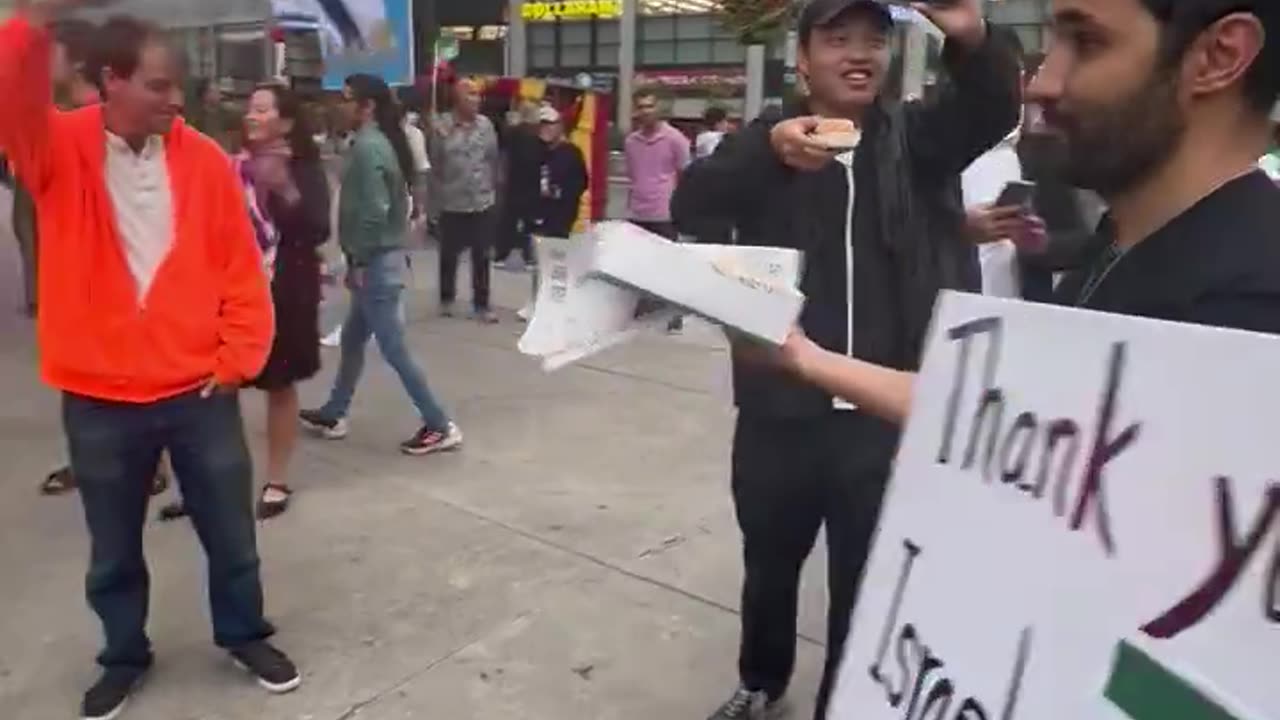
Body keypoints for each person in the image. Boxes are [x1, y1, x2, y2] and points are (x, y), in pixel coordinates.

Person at [671, 0, 1020, 717]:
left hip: (879, 415)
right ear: (802, 58)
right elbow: (691, 206)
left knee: (864, 580)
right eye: (838, 40)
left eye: (874, 41)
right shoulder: (769, 143)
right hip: (779, 411)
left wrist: (972, 36)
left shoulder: (916, 140)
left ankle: (844, 701)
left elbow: (990, 105)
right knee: (769, 565)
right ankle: (761, 682)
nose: (859, 54)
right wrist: (767, 150)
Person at [767, 0, 1280, 427]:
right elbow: (1039, 416)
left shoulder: (1250, 312)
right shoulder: (1122, 244)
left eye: (1088, 42)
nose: (1042, 84)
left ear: (1218, 57)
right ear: (804, 60)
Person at [0, 6, 301, 719]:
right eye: (160, 85)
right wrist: (29, 22)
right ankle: (124, 655)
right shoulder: (56, 151)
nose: (175, 100)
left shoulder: (200, 158)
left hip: (199, 392)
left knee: (230, 531)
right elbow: (11, 96)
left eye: (178, 86)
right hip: (99, 397)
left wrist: (236, 360)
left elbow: (238, 269)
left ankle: (243, 633)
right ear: (111, 80)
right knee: (113, 550)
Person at [300, 73, 464, 456]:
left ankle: (439, 424)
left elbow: (375, 210)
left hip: (376, 264)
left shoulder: (371, 147)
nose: (337, 106)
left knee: (394, 349)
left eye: (346, 98)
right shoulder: (374, 143)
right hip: (376, 261)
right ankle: (335, 410)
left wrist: (359, 260)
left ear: (367, 106)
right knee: (355, 340)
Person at [431, 78, 501, 323]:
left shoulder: (486, 126)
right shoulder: (442, 127)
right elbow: (436, 165)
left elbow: (492, 158)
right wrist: (435, 201)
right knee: (449, 254)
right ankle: (446, 298)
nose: (476, 100)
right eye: (470, 95)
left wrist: (493, 190)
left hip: (481, 200)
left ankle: (481, 304)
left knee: (482, 254)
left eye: (477, 95)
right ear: (457, 100)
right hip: (452, 201)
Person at [626, 90, 691, 332]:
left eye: (649, 106)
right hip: (637, 211)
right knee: (639, 263)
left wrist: (681, 206)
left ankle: (673, 314)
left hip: (664, 211)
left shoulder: (675, 139)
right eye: (640, 106)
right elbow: (633, 174)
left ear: (659, 109)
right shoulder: (631, 141)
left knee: (668, 265)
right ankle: (644, 306)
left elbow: (686, 173)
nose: (645, 111)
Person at [497, 100, 544, 269]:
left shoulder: (513, 133)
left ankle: (501, 255)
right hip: (531, 184)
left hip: (513, 182)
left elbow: (503, 152)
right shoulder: (537, 136)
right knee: (529, 223)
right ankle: (529, 257)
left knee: (508, 221)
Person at [532, 104, 589, 238]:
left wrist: (557, 192)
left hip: (560, 220)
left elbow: (581, 183)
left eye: (550, 124)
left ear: (559, 126)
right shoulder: (531, 150)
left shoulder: (571, 153)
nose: (545, 128)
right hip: (534, 220)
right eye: (541, 124)